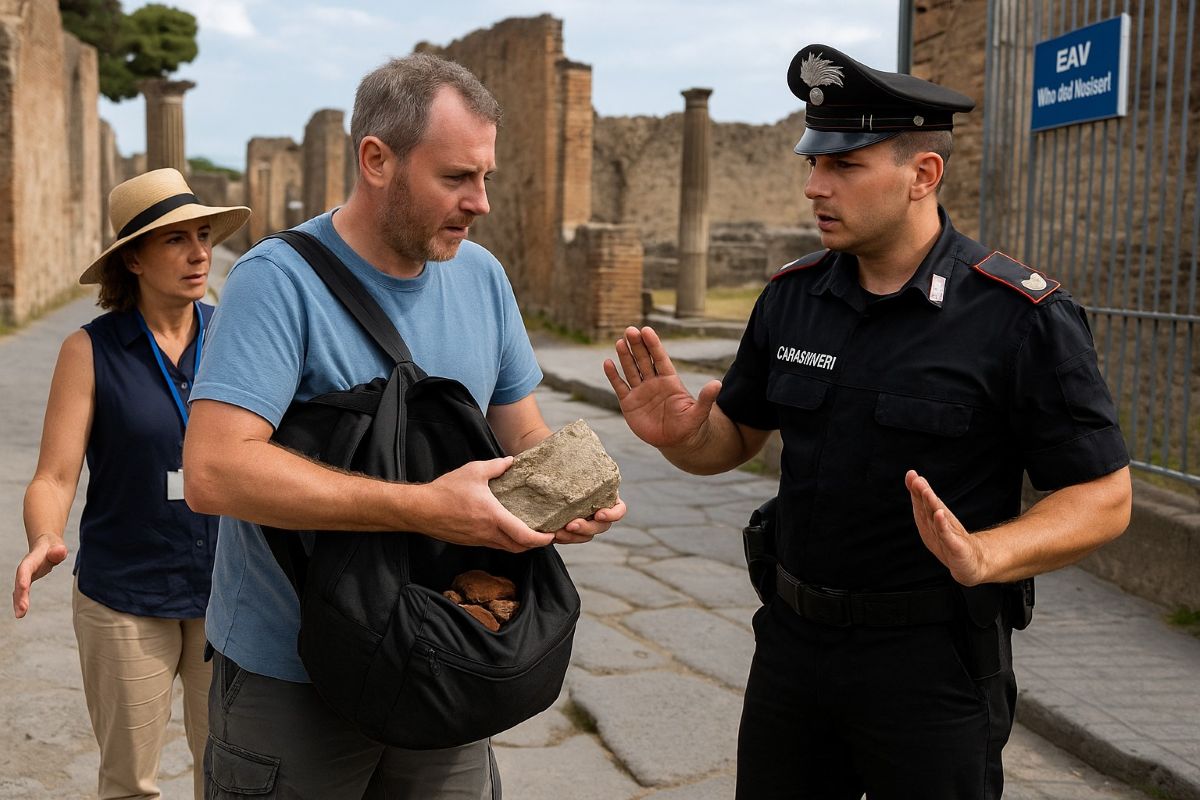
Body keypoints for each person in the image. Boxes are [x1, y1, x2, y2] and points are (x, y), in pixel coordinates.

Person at [604, 44, 1132, 800]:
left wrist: (987, 554)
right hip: (792, 649)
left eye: (845, 165)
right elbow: (736, 437)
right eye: (813, 163)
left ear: (924, 175)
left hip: (930, 665)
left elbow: (1104, 497)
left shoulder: (1018, 317)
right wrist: (685, 439)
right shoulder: (792, 297)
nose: (814, 186)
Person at [182, 53, 625, 799]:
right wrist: (425, 507)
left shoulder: (482, 278)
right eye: (456, 177)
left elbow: (519, 431)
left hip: (444, 654)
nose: (480, 201)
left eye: (484, 176)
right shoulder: (276, 282)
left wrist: (568, 493)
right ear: (377, 160)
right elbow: (215, 471)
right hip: (295, 675)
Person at [12, 168, 250, 800]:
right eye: (176, 239)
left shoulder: (236, 337)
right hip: (125, 593)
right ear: (134, 259)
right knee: (128, 784)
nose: (199, 253)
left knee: (227, 778)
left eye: (203, 236)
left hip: (229, 593)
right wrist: (44, 536)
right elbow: (53, 475)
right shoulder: (89, 350)